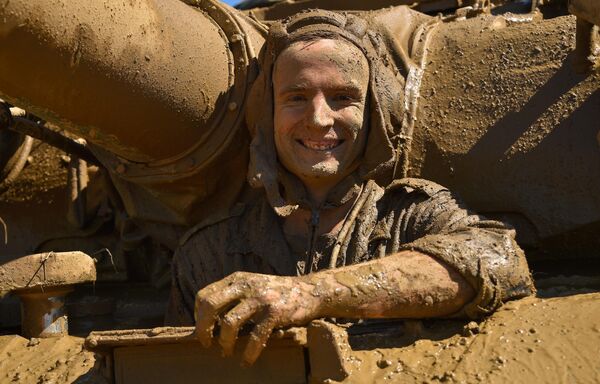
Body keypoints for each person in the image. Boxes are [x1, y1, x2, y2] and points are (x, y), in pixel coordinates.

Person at [166, 10, 535, 366]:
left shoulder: (411, 216)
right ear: (268, 113)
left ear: (373, 110)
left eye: (343, 97)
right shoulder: (208, 255)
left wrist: (312, 293)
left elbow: (500, 261)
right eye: (296, 97)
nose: (318, 119)